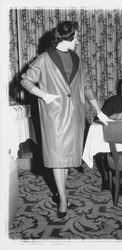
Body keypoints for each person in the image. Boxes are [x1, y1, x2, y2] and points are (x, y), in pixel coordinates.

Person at [20, 21, 110, 218]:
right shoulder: (44, 59)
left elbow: (87, 86)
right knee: (57, 160)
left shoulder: (78, 60)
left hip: (75, 116)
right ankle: (62, 199)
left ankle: (61, 194)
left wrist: (98, 111)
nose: (78, 41)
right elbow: (25, 80)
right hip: (54, 116)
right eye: (76, 37)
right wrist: (43, 94)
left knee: (67, 158)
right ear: (66, 37)